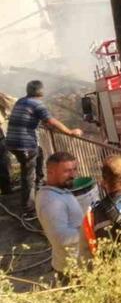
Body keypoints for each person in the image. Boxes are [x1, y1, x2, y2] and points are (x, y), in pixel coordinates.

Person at [5, 81, 83, 219]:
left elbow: (31, 118)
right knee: (28, 174)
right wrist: (70, 132)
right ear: (41, 92)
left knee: (39, 154)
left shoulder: (22, 101)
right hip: (24, 144)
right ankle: (28, 210)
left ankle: (40, 190)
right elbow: (51, 121)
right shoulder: (37, 104)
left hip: (12, 142)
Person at [34, 152, 82, 278]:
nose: (73, 175)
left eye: (74, 169)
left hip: (75, 264)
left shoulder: (59, 191)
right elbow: (62, 238)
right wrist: (91, 231)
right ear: (51, 172)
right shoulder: (50, 201)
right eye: (67, 171)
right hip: (71, 270)